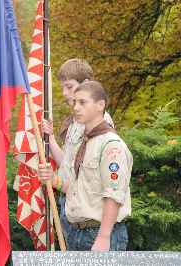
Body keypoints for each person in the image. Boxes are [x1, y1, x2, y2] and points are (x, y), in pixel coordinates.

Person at [38, 81, 132, 251]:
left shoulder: (111, 146)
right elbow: (77, 188)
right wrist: (53, 179)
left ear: (100, 105)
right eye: (74, 102)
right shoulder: (84, 143)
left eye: (82, 102)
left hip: (100, 234)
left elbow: (114, 194)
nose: (76, 107)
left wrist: (104, 237)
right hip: (77, 233)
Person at [41, 59, 114, 240]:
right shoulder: (76, 122)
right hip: (72, 212)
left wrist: (55, 181)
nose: (65, 93)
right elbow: (67, 163)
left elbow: (92, 181)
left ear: (87, 84)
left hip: (92, 222)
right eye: (63, 88)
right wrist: (50, 138)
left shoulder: (99, 124)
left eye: (69, 87)